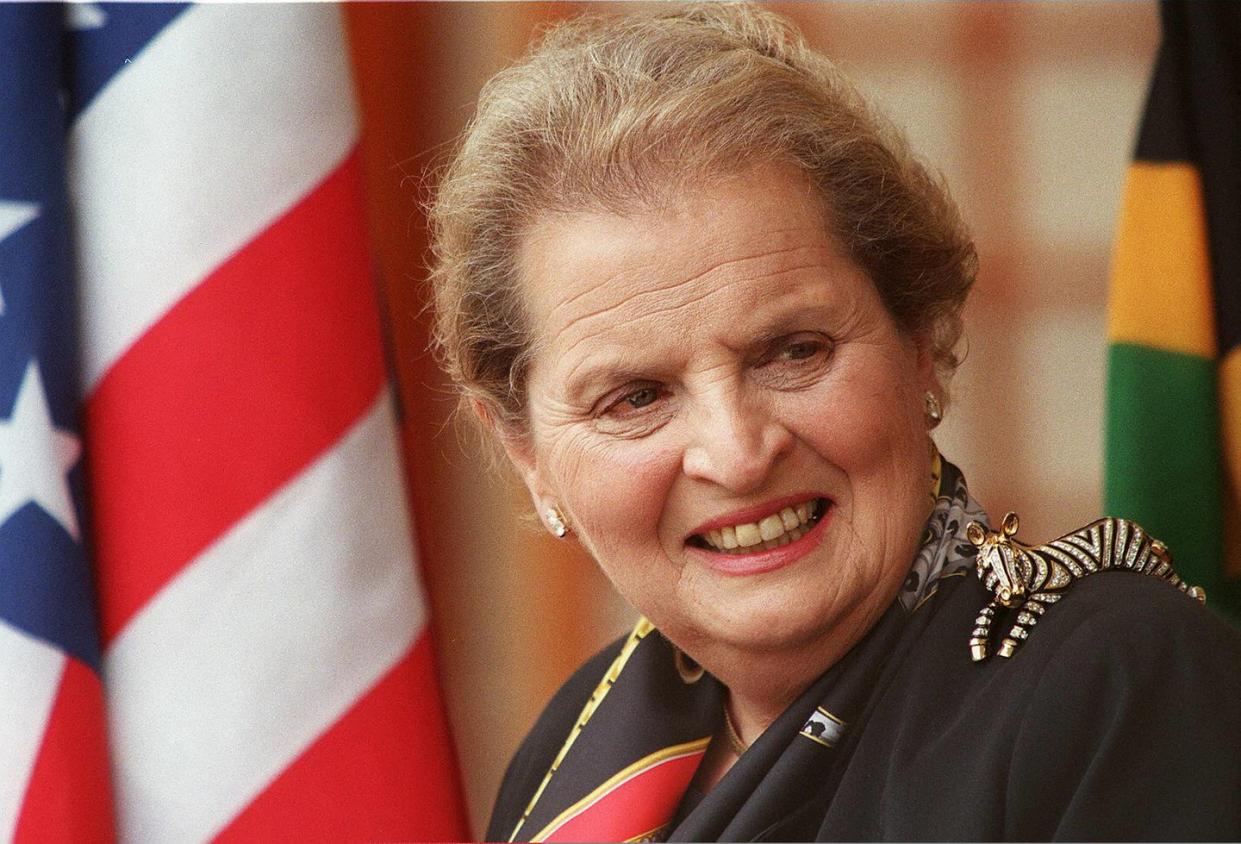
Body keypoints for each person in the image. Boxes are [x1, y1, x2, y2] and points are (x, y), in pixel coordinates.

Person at [427, 5, 1241, 841]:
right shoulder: (572, 750)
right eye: (635, 398)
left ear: (920, 341)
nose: (738, 454)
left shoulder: (1116, 686)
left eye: (792, 352)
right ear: (524, 452)